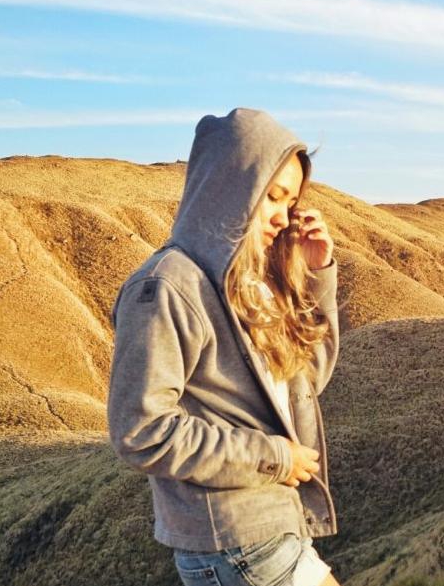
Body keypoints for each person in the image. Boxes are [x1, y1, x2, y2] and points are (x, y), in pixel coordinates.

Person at [107, 107, 342, 586]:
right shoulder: (167, 286)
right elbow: (141, 430)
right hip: (236, 542)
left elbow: (306, 381)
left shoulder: (246, 285)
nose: (284, 216)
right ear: (231, 187)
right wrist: (273, 457)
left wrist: (317, 277)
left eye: (291, 202)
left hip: (272, 527)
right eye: (273, 197)